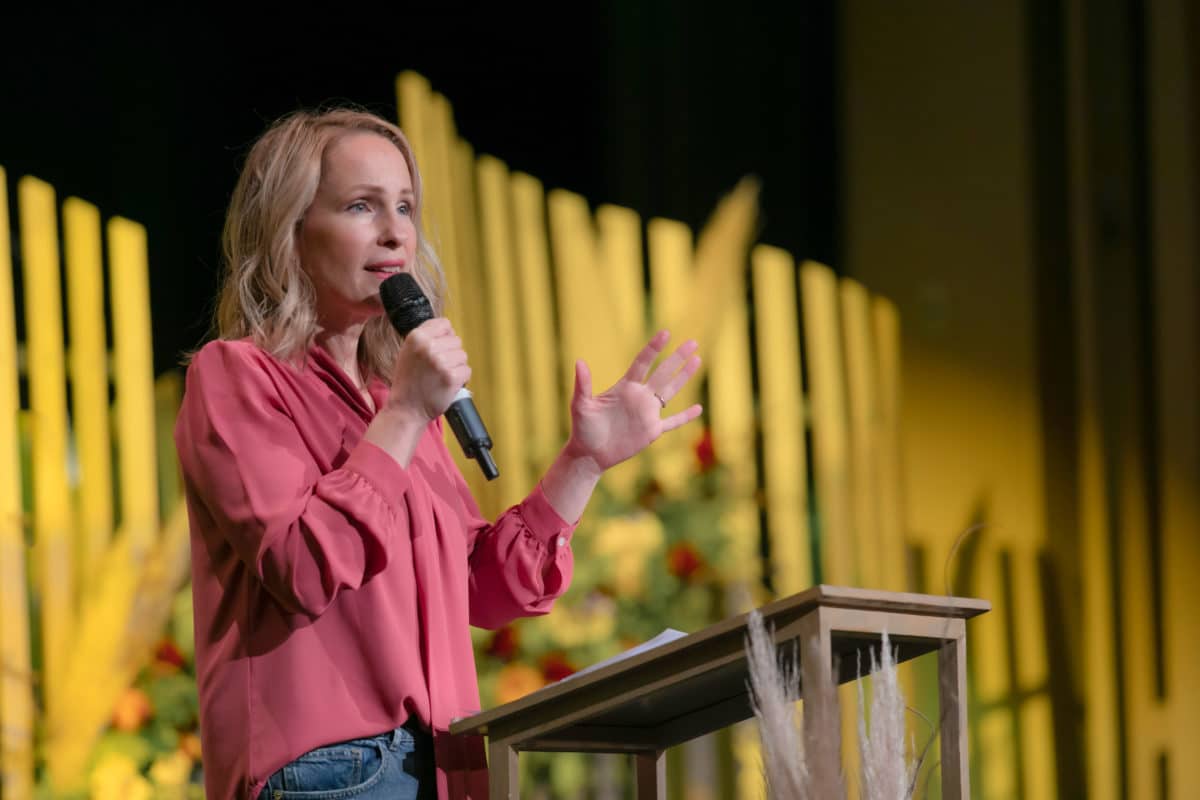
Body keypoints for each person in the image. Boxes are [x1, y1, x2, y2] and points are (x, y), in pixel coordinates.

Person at [174, 107, 703, 800]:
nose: (396, 231)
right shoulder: (238, 376)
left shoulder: (402, 402)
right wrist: (405, 412)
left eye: (405, 207)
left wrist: (581, 463)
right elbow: (299, 565)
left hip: (445, 765)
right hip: (332, 771)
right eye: (361, 206)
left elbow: (479, 590)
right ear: (291, 232)